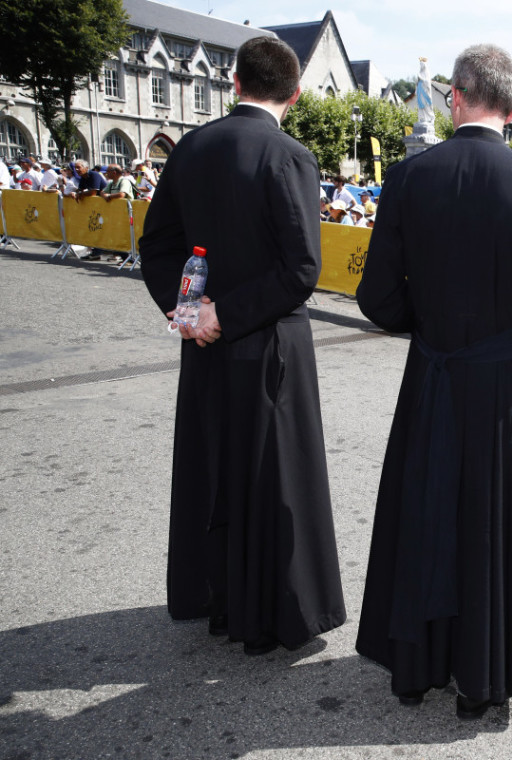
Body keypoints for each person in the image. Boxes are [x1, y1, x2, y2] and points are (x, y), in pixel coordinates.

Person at [354, 42, 512, 720]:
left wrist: (425, 324)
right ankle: (481, 679)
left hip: (432, 370)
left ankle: (416, 669)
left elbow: (376, 299)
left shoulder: (408, 176)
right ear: (511, 109)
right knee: (492, 525)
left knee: (426, 511)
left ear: (455, 97)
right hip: (501, 380)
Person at [138, 36, 346, 657]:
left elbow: (157, 246)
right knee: (273, 479)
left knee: (216, 468)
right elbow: (301, 269)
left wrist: (190, 312)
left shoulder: (191, 148)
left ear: (234, 83)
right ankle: (277, 608)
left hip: (204, 339)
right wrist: (224, 314)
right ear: (297, 93)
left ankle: (217, 594)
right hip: (269, 341)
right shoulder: (290, 156)